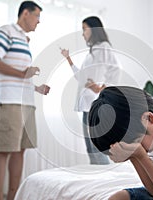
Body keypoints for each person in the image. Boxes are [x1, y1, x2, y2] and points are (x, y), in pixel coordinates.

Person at [0, 1, 50, 200]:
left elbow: (22, 75)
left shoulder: (24, 40)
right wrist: (23, 73)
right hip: (10, 101)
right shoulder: (6, 31)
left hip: (26, 102)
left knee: (20, 151)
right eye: (37, 16)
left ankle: (12, 197)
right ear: (25, 14)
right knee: (5, 150)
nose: (39, 21)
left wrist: (36, 87)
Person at [60, 16, 121, 165]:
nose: (83, 33)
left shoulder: (103, 46)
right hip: (87, 105)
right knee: (90, 147)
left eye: (84, 29)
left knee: (96, 148)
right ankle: (97, 179)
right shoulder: (92, 52)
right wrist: (68, 59)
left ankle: (104, 179)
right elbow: (81, 77)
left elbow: (117, 69)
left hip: (96, 104)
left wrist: (104, 88)